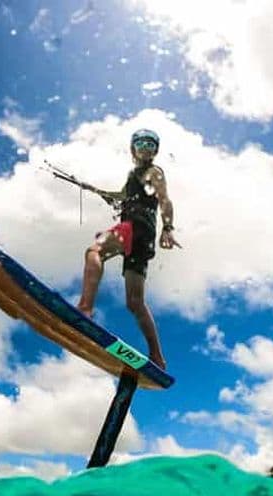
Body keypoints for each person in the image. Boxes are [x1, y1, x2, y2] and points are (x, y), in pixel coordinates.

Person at [76, 128, 180, 370]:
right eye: (141, 143)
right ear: (133, 148)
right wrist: (95, 190)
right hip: (144, 238)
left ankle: (85, 309)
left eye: (151, 144)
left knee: (94, 252)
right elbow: (122, 195)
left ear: (156, 150)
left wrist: (169, 227)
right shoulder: (135, 175)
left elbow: (164, 199)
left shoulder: (154, 172)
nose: (145, 147)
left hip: (134, 227)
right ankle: (157, 357)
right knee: (135, 302)